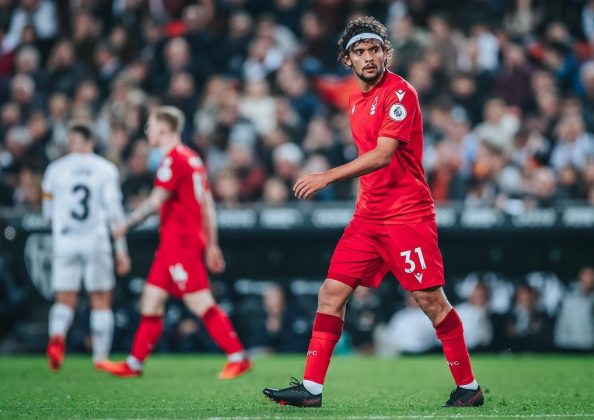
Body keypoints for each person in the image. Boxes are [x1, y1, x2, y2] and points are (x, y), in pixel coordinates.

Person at [262, 17, 483, 408]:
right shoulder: (355, 98)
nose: (368, 57)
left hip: (407, 216)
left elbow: (382, 156)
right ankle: (311, 389)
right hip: (368, 217)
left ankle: (469, 386)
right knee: (331, 293)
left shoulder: (400, 94)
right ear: (347, 59)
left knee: (431, 302)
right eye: (359, 52)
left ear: (386, 53)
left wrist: (327, 176)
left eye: (375, 50)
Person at [101, 106, 251, 379]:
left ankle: (238, 356)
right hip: (177, 242)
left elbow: (155, 202)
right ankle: (134, 364)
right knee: (151, 300)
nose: (147, 132)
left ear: (163, 128)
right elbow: (207, 205)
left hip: (180, 243)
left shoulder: (173, 161)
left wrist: (125, 225)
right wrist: (212, 243)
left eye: (150, 126)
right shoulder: (192, 158)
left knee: (199, 302)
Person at [42, 121, 131, 371]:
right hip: (95, 239)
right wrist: (121, 250)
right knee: (101, 298)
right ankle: (100, 358)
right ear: (92, 141)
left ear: (73, 140)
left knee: (64, 298)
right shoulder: (105, 169)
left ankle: (57, 336)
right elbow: (115, 212)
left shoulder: (55, 170)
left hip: (65, 240)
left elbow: (47, 214)